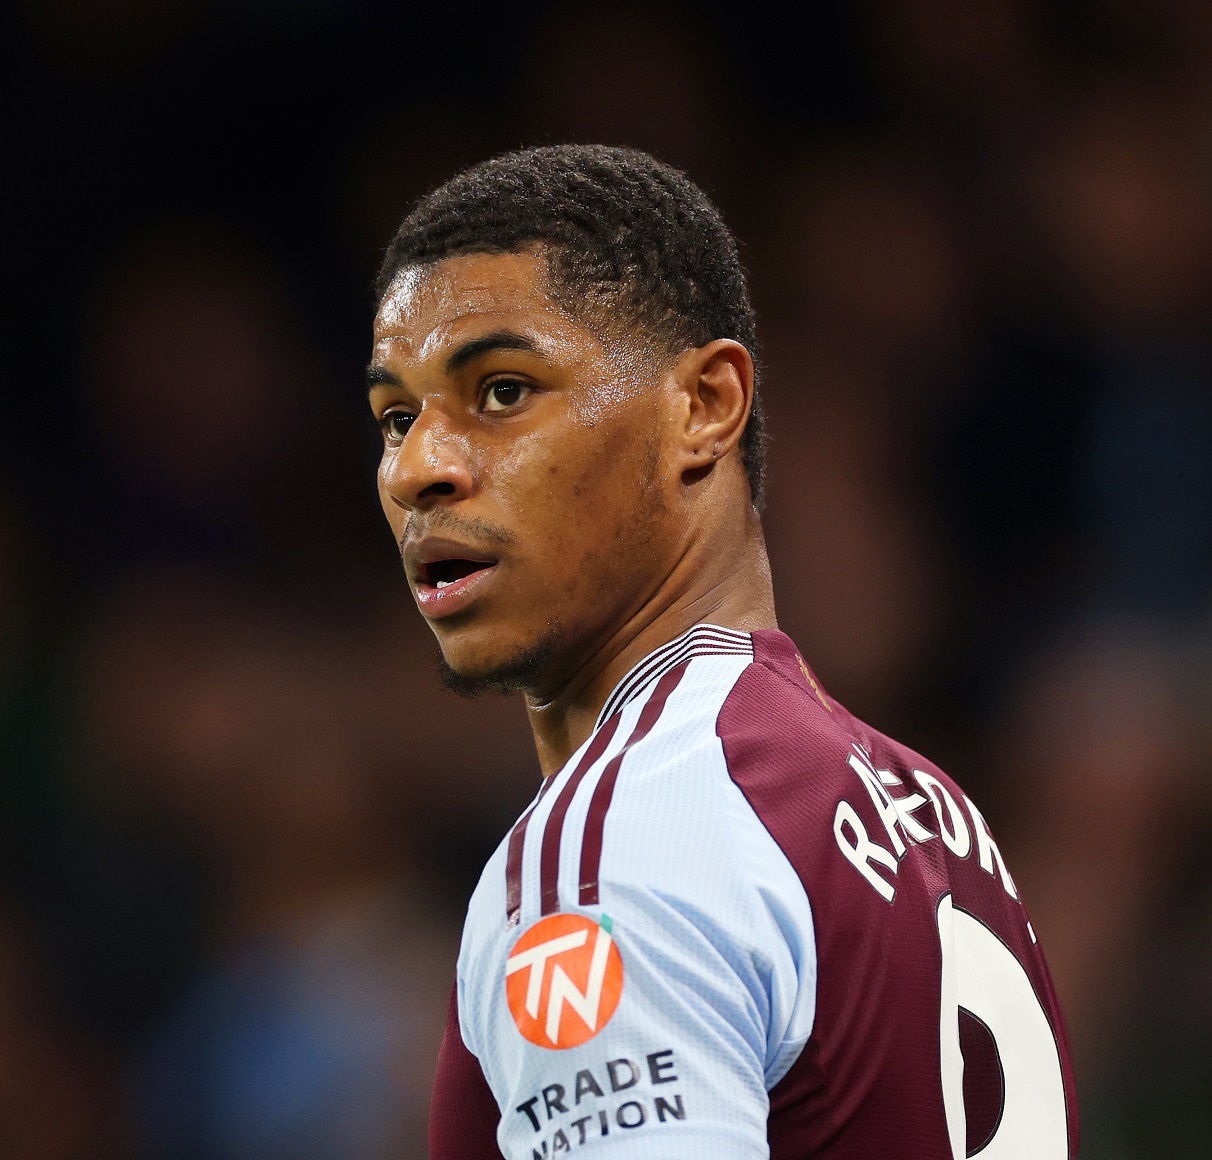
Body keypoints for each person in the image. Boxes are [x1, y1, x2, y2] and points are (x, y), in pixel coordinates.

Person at [364, 145, 1077, 1159]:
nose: (419, 468)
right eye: (396, 416)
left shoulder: (616, 841)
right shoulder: (933, 815)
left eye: (505, 390)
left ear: (704, 405)